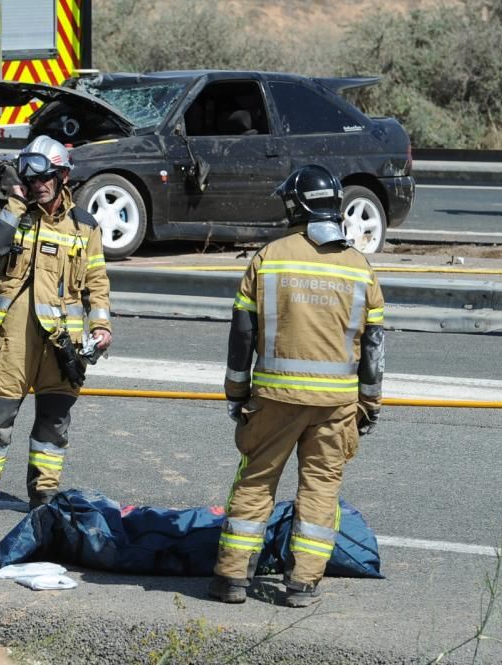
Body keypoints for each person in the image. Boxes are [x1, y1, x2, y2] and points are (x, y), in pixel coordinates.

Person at [208, 165, 385, 608]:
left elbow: (242, 334)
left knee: (256, 480)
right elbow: (373, 348)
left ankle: (232, 577)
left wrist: (235, 392)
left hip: (274, 399)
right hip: (337, 404)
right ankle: (303, 583)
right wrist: (370, 403)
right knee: (321, 488)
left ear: (295, 205)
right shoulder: (360, 268)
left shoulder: (269, 257)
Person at [0, 135, 112, 522]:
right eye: (31, 179)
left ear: (63, 177)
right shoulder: (14, 215)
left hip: (61, 342)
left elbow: (97, 283)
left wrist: (101, 327)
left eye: (47, 178)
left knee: (54, 422)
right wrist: (14, 201)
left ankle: (43, 493)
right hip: (12, 338)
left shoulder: (84, 226)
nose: (38, 185)